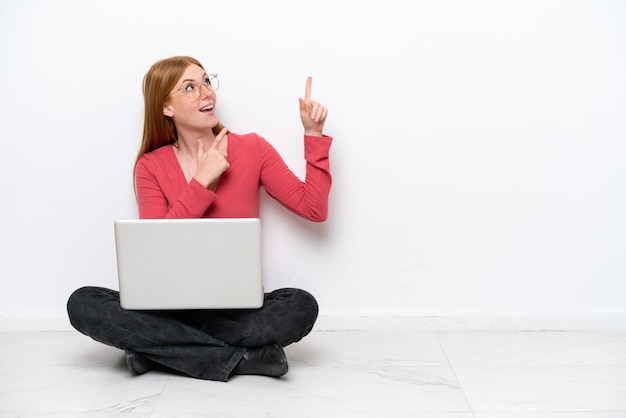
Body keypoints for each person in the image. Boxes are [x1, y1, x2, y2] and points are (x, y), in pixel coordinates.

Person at [66, 56, 332, 381]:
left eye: (206, 81)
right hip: (168, 307)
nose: (206, 93)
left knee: (301, 305)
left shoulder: (252, 148)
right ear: (166, 108)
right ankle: (244, 358)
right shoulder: (150, 167)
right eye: (190, 88)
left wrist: (313, 136)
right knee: (83, 302)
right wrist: (202, 183)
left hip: (235, 308)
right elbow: (156, 253)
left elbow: (314, 209)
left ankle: (158, 350)